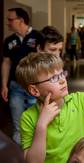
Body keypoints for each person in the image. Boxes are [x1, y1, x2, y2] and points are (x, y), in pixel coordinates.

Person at [1, 8, 41, 144]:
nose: (8, 22)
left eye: (10, 19)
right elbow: (6, 63)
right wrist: (4, 85)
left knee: (36, 125)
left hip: (34, 88)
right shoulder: (9, 41)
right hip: (15, 87)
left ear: (21, 20)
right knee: (18, 127)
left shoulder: (38, 37)